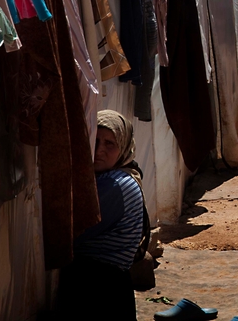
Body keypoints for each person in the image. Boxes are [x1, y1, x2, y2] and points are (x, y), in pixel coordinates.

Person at [56, 110, 145, 320]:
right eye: (95, 140)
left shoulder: (114, 185)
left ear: (123, 146)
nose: (99, 150)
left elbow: (73, 229)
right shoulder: (112, 177)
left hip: (98, 288)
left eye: (109, 144)